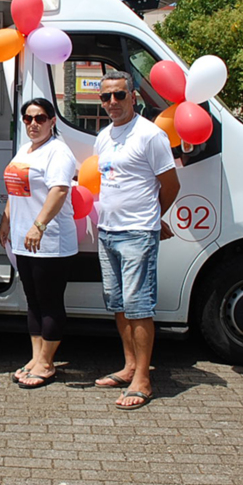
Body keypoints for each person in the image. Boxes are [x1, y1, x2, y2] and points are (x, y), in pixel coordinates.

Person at [92, 70, 181, 410]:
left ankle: (143, 379)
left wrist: (151, 219)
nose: (111, 102)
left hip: (136, 234)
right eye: (105, 97)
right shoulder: (104, 137)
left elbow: (170, 185)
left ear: (133, 96)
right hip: (108, 232)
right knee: (118, 303)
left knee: (138, 305)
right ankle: (129, 365)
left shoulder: (150, 135)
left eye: (118, 95)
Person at [0, 98, 78, 389]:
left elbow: (58, 191)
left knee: (49, 302)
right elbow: (15, 189)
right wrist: (6, 221)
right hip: (22, 239)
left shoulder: (58, 152)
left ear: (52, 121)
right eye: (28, 118)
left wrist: (38, 226)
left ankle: (47, 362)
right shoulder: (25, 148)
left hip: (50, 240)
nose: (33, 123)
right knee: (32, 300)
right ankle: (36, 357)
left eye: (40, 118)